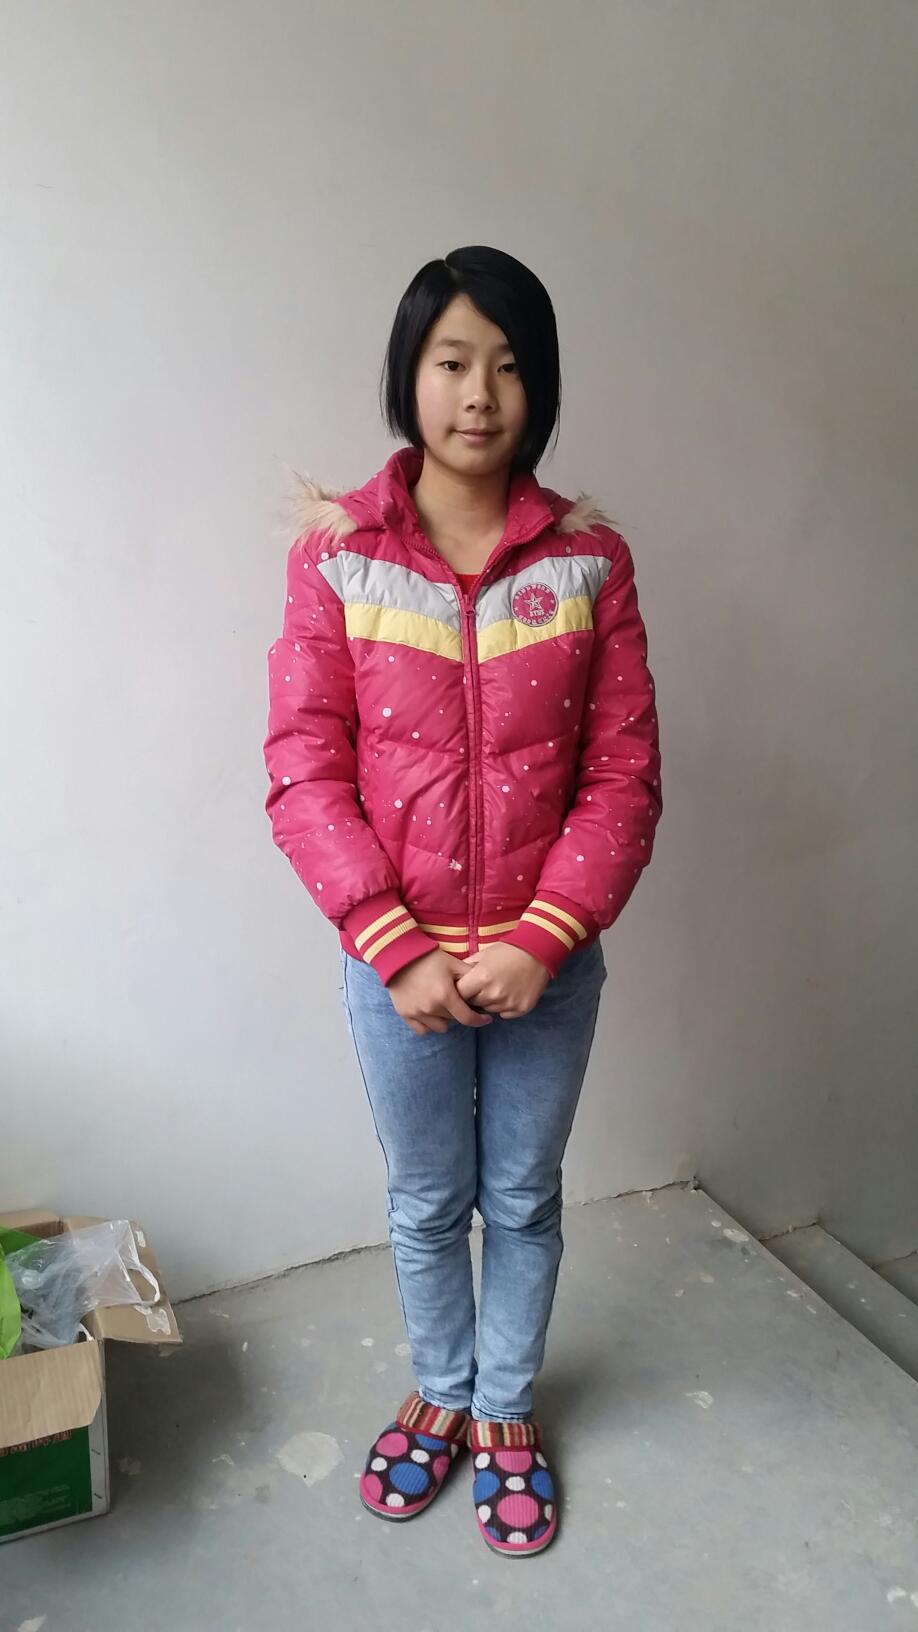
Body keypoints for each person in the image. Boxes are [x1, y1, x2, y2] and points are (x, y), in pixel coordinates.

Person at [263, 245, 662, 1558]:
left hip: (549, 967)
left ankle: (502, 1409)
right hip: (401, 973)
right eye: (450, 361)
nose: (478, 393)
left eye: (506, 366)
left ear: (538, 387)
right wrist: (392, 946)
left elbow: (622, 776)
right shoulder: (340, 560)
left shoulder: (588, 562)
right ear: (410, 374)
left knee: (525, 1199)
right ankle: (440, 1388)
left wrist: (547, 938)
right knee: (429, 1202)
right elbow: (305, 770)